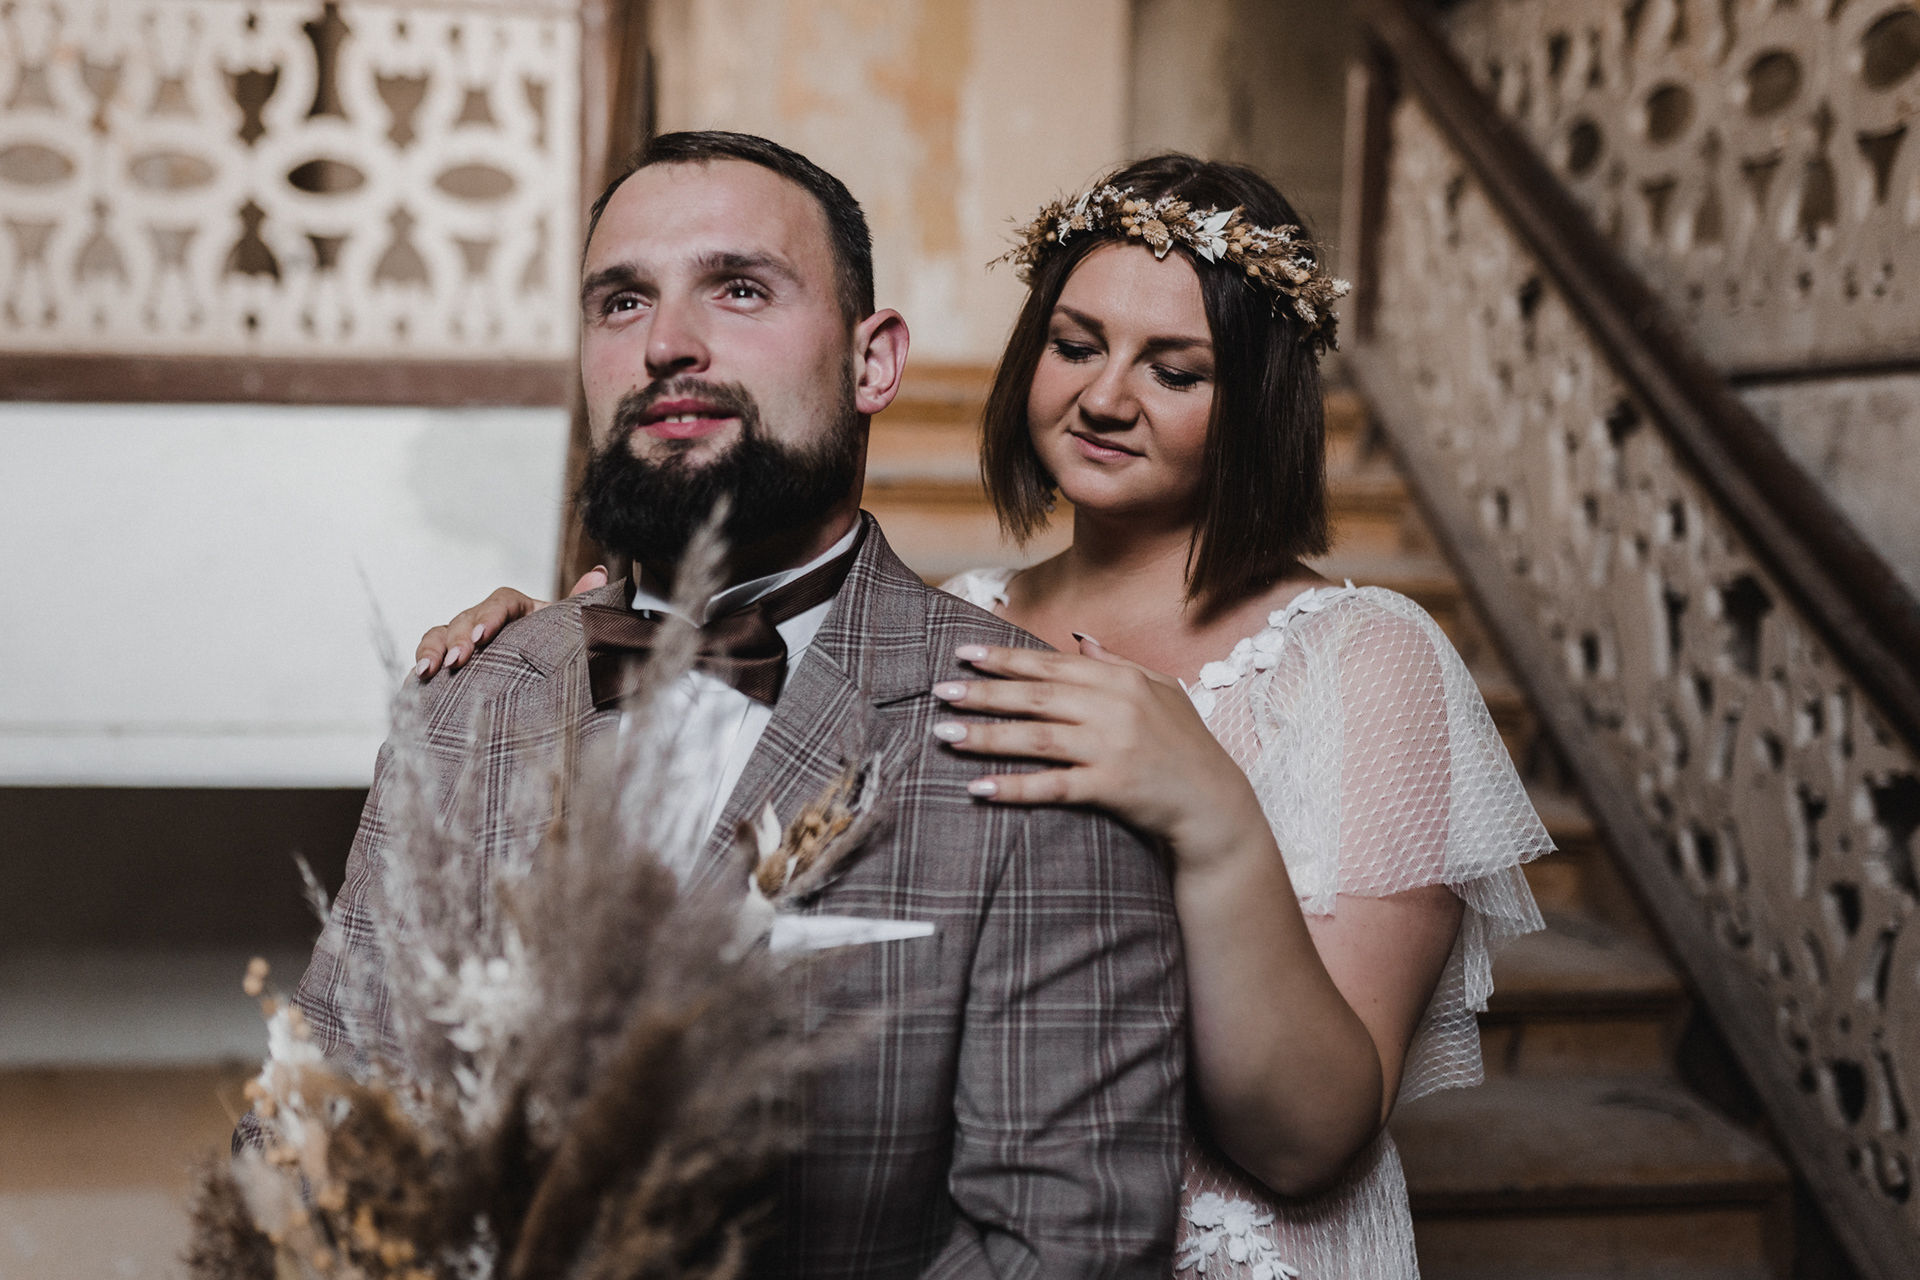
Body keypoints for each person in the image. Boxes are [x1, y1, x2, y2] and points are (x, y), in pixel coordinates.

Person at [424, 155, 1552, 1279]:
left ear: (1258, 404)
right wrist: (568, 641)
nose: (1105, 398)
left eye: (1174, 370)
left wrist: (1216, 820)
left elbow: (1310, 1140)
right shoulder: (954, 621)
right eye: (1075, 346)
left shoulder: (1364, 655)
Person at [302, 131, 1189, 1278]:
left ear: (873, 362)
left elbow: (1068, 1246)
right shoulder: (467, 701)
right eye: (623, 301)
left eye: (739, 289)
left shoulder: (1040, 737)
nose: (668, 342)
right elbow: (317, 1131)